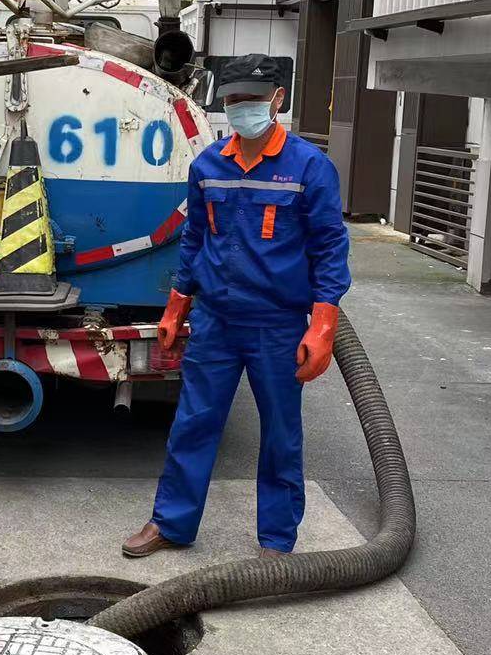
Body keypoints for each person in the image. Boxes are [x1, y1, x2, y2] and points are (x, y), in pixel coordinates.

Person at [123, 53, 350, 559]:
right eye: (233, 100)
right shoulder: (208, 166)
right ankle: (172, 523)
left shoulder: (310, 168)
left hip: (277, 324)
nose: (243, 108)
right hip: (217, 321)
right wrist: (175, 306)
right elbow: (195, 239)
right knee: (194, 422)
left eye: (252, 98)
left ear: (277, 100)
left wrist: (324, 324)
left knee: (281, 436)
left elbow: (331, 248)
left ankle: (276, 540)